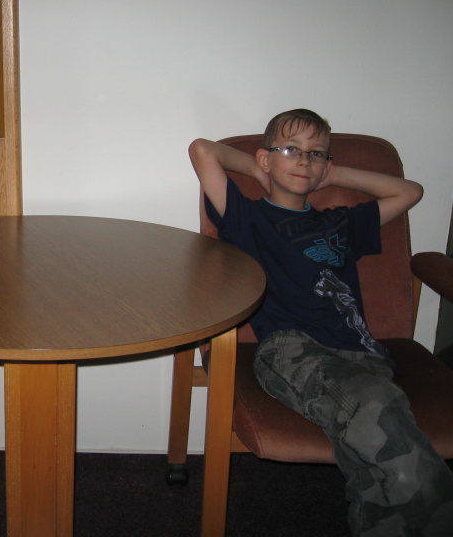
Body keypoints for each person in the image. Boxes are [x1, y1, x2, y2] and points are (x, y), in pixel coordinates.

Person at [189, 109, 453, 536]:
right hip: (291, 349)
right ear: (265, 158)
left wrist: (334, 174)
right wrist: (259, 170)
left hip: (363, 354)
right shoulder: (248, 218)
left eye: (316, 153)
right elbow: (202, 151)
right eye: (291, 150)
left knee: (373, 445)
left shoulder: (341, 223)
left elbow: (410, 192)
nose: (304, 160)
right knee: (379, 411)